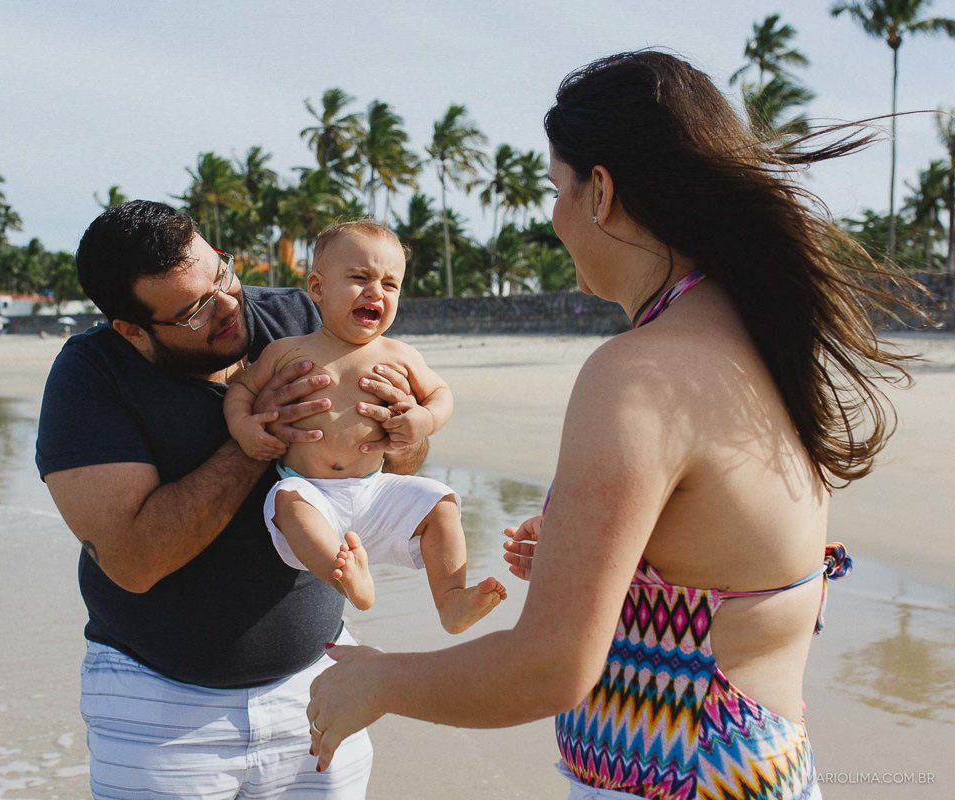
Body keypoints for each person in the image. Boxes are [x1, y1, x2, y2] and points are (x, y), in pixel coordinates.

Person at [306, 50, 921, 800]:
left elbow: (551, 669)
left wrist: (377, 682)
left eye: (556, 189)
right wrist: (590, 552)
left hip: (679, 783)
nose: (554, 215)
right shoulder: (760, 333)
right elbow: (730, 564)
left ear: (600, 192)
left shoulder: (639, 371)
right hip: (766, 770)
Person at [35, 200, 434, 798]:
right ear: (133, 330)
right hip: (159, 708)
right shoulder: (91, 378)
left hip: (317, 683)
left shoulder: (305, 318)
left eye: (220, 273)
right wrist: (255, 438)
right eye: (196, 310)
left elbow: (397, 462)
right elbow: (134, 561)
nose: (228, 306)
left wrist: (399, 431)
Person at [224, 220, 506, 632]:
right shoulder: (288, 351)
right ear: (317, 288)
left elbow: (440, 394)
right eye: (359, 279)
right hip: (311, 488)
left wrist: (423, 420)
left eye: (390, 285)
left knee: (440, 500)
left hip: (373, 489)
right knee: (286, 501)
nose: (376, 292)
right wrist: (245, 427)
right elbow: (240, 389)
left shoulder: (400, 354)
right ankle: (348, 581)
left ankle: (450, 599)